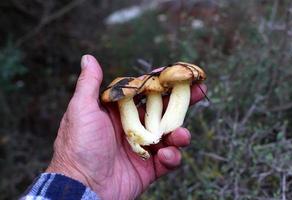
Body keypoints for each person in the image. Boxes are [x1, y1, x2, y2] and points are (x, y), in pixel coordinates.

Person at [21, 55, 207, 200]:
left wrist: (74, 173)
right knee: (166, 137)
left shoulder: (160, 84)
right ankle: (148, 138)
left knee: (172, 135)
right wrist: (76, 171)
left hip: (150, 130)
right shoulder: (128, 92)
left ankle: (151, 137)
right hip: (140, 133)